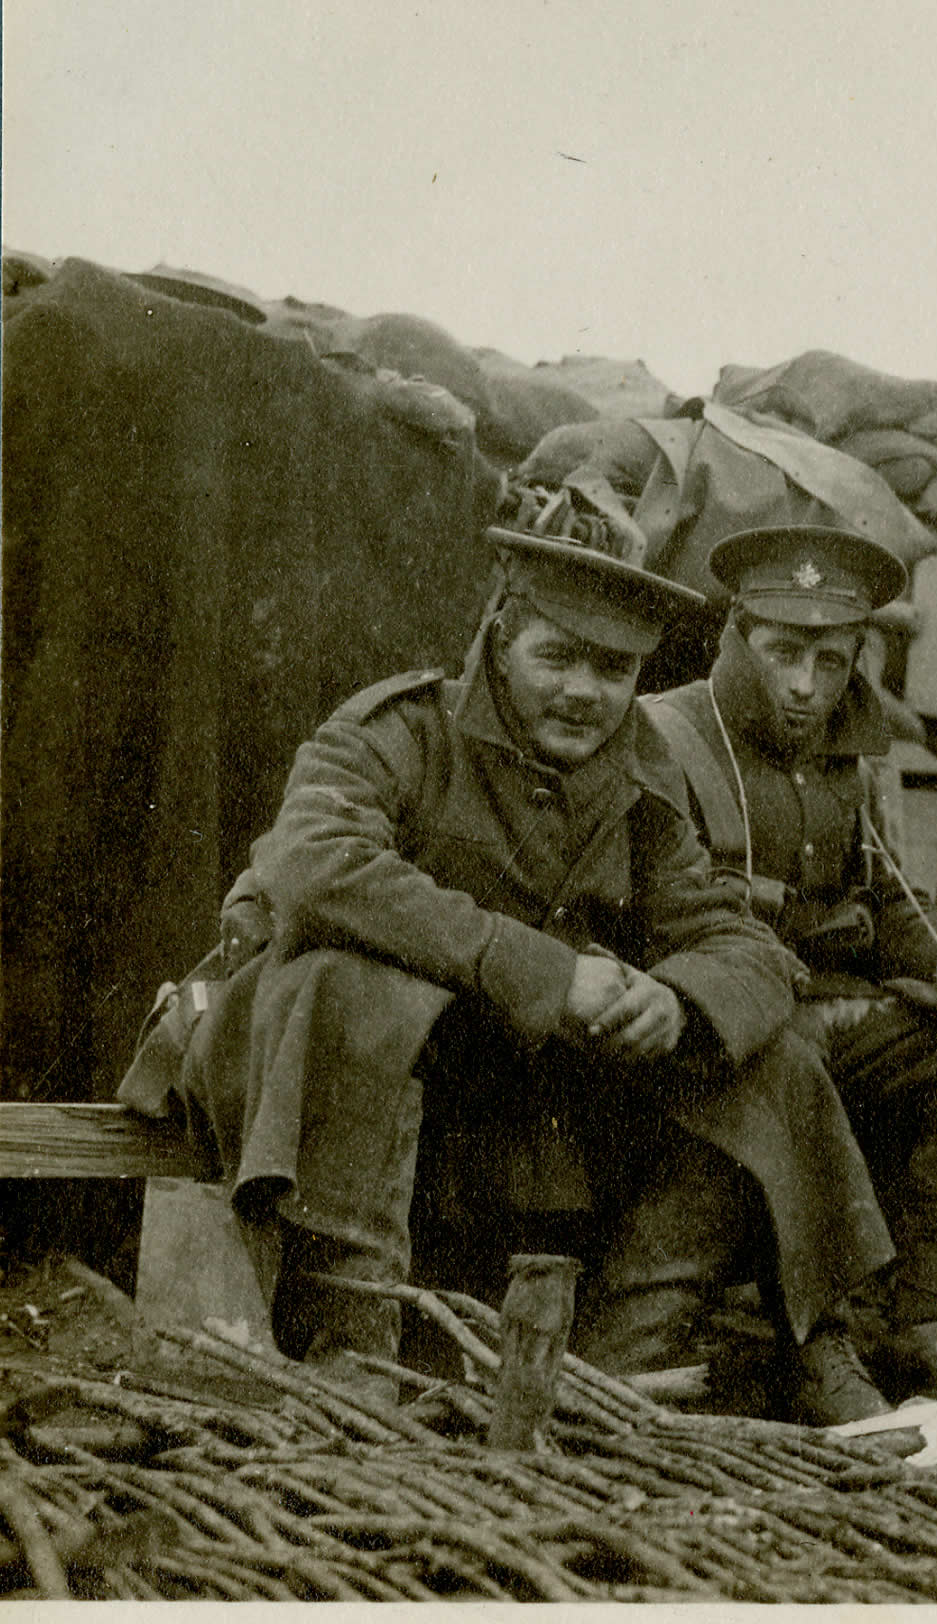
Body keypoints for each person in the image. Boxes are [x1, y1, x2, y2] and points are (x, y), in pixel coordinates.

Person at [117, 524, 890, 1415]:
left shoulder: (640, 780)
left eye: (613, 670)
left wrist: (676, 1001)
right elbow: (315, 865)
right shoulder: (402, 731)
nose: (583, 692)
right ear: (497, 639)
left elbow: (743, 942)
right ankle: (353, 1346)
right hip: (346, 1118)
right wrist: (544, 973)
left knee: (772, 1061)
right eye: (555, 657)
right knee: (346, 984)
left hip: (521, 1130)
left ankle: (611, 1370)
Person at [639, 525, 937, 1419]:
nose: (805, 686)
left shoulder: (841, 758)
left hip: (819, 1016)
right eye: (783, 653)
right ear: (735, 636)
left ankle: (927, 1315)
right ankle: (821, 1348)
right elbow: (666, 927)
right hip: (707, 1033)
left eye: (832, 658)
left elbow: (885, 892)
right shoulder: (667, 737)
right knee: (795, 1065)